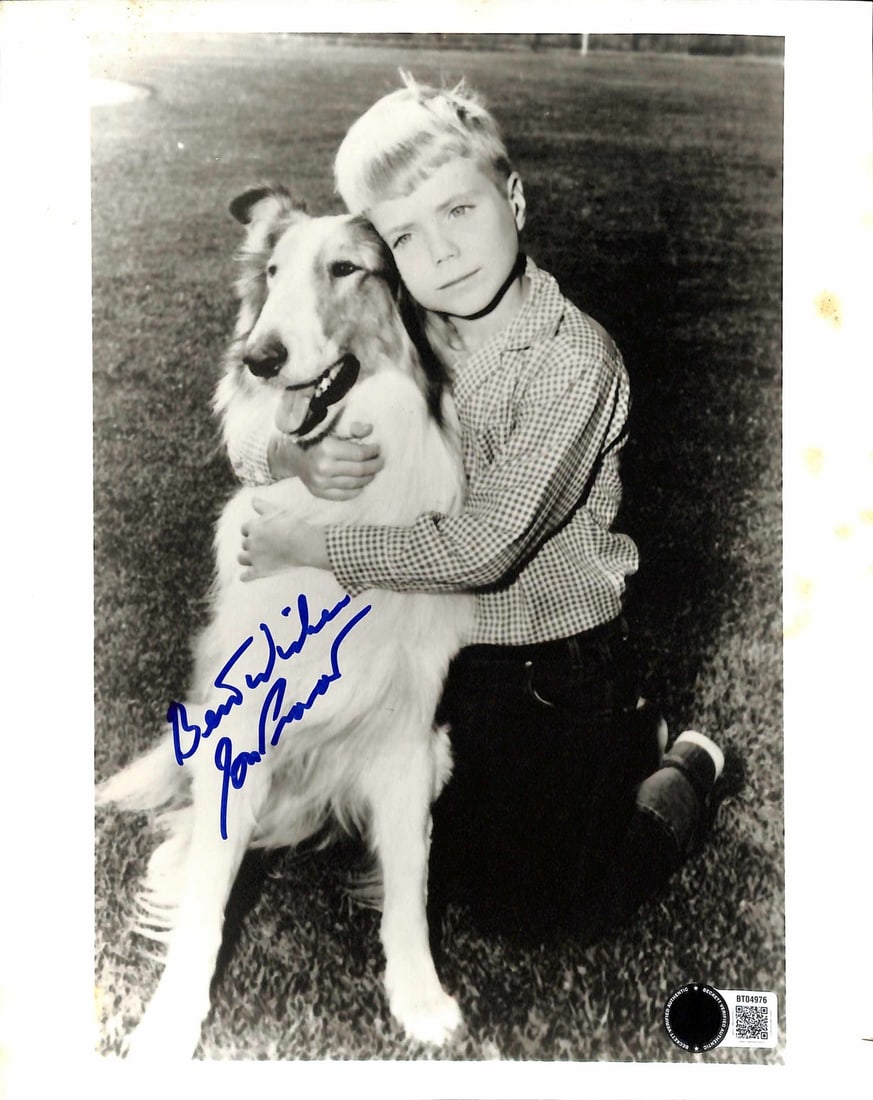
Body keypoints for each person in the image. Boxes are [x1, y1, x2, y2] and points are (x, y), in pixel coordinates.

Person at [234, 74, 726, 943]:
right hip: (432, 649)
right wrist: (292, 458)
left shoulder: (574, 361)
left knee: (542, 910)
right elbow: (255, 418)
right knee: (405, 851)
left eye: (459, 213)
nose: (443, 255)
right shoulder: (410, 332)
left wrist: (313, 541)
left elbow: (485, 546)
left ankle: (675, 768)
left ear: (516, 198)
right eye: (406, 237)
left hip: (550, 664)